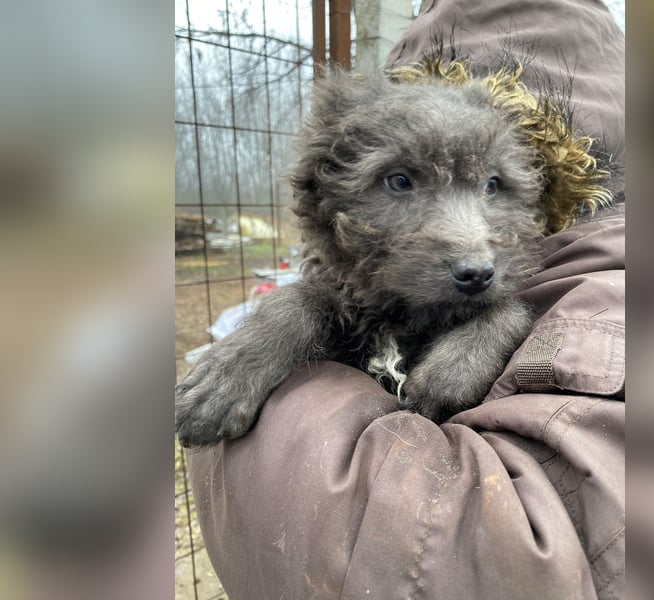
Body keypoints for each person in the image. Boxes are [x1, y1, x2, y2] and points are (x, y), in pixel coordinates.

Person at [187, 1, 624, 598]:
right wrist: (278, 327)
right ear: (320, 194)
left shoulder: (592, 273)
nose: (474, 248)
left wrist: (497, 322)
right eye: (400, 181)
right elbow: (324, 299)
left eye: (494, 186)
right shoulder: (328, 285)